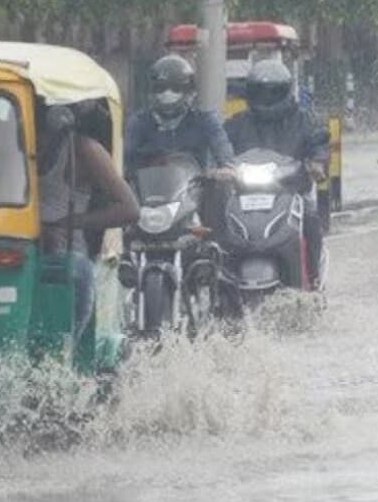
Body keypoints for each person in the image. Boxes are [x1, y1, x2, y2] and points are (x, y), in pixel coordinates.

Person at [38, 99, 140, 342]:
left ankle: (68, 348)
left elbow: (129, 209)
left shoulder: (84, 150)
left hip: (64, 253)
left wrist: (67, 223)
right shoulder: (10, 143)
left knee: (79, 270)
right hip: (20, 247)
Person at [224, 59, 330, 287]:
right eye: (261, 93)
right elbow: (220, 149)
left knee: (311, 220)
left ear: (286, 91)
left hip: (291, 193)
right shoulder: (237, 124)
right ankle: (221, 288)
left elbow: (319, 143)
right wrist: (214, 169)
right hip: (244, 196)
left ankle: (312, 282)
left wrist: (317, 163)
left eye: (274, 92)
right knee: (219, 223)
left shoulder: (304, 121)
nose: (267, 98)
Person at [125, 54, 236, 233]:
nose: (167, 95)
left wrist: (227, 168)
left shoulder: (205, 120)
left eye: (175, 89)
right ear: (151, 92)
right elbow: (125, 157)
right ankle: (111, 251)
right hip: (148, 196)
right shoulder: (139, 122)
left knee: (222, 193)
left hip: (194, 192)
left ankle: (220, 246)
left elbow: (221, 146)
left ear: (190, 92)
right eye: (161, 89)